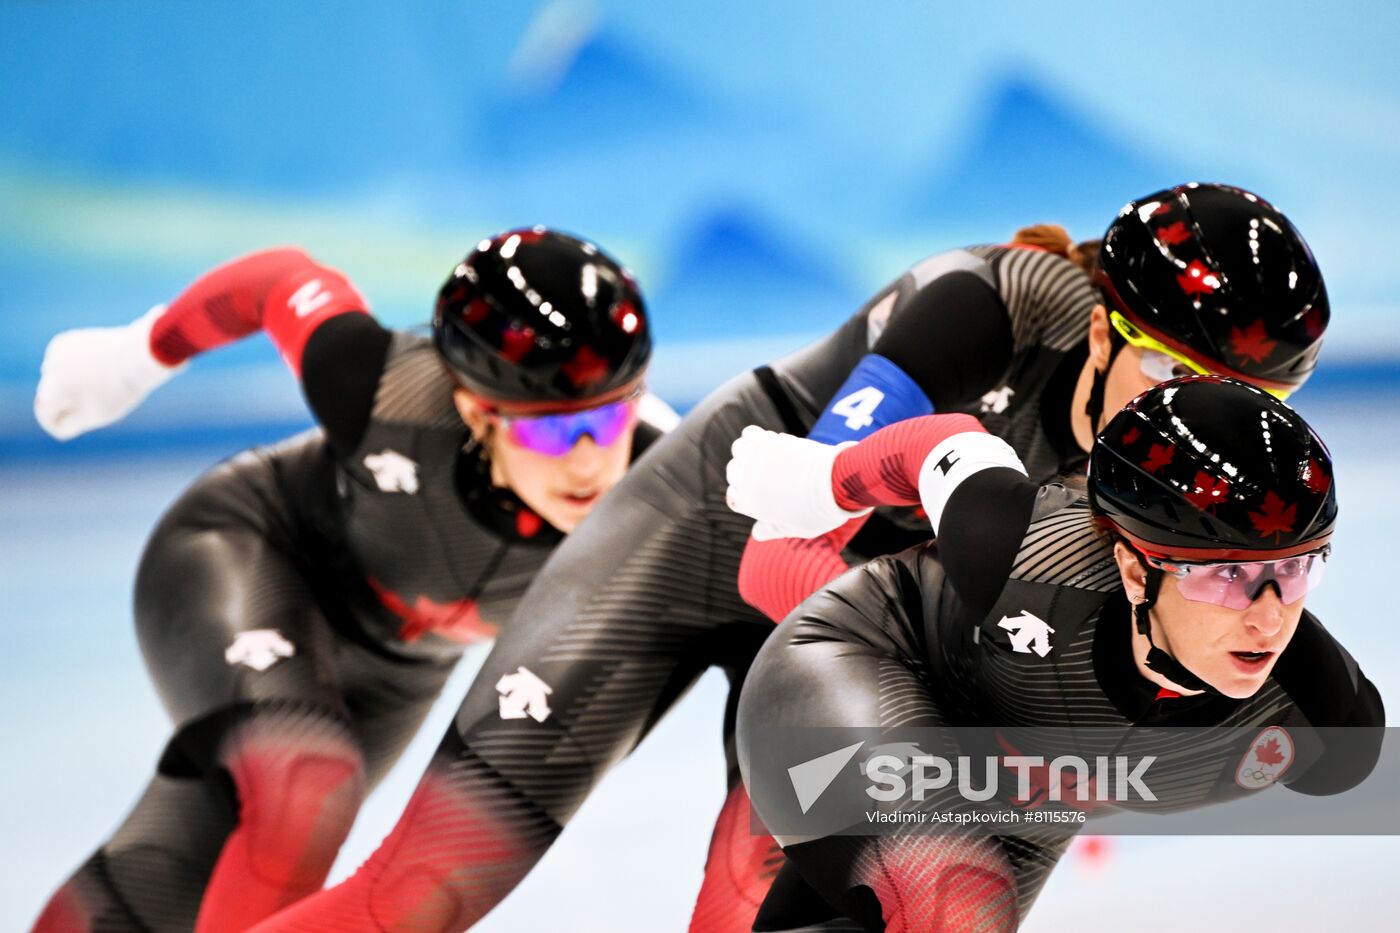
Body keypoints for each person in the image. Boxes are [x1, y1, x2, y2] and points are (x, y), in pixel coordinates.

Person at [251, 184, 1331, 933]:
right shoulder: (980, 309)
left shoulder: (1167, 481)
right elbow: (780, 556)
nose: (1204, 414)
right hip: (716, 535)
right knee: (429, 889)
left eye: (1251, 400)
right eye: (1168, 370)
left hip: (852, 626)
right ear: (1099, 333)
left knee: (748, 894)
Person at [29, 228, 664, 932]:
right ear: (474, 410)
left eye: (611, 418)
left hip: (399, 667)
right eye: (549, 433)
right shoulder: (382, 386)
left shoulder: (662, 490)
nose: (587, 463)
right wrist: (137, 356)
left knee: (186, 866)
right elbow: (279, 279)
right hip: (250, 551)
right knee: (304, 786)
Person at [725, 376, 1383, 931]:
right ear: (1133, 569)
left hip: (1015, 792)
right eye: (1225, 575)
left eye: (1297, 570)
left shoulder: (1325, 723)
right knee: (955, 905)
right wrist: (821, 480)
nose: (1270, 617)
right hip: (864, 663)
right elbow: (945, 444)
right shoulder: (1027, 552)